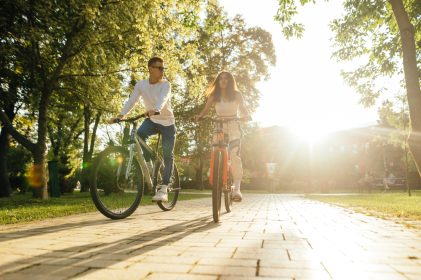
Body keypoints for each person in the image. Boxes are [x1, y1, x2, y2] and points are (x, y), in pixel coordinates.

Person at [110, 57, 176, 202]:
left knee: (167, 154)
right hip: (152, 120)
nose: (162, 71)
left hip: (167, 123)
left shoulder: (166, 85)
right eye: (159, 68)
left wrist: (156, 109)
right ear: (150, 69)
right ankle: (150, 160)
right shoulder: (141, 85)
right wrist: (120, 116)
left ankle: (164, 188)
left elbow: (163, 98)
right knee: (139, 135)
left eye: (163, 68)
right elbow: (132, 100)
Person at [195, 71, 251, 202]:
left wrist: (246, 116)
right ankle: (214, 168)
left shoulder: (237, 95)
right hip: (219, 125)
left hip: (233, 126)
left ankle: (236, 188)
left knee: (234, 155)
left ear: (230, 81)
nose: (223, 81)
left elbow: (243, 109)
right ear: (218, 82)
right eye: (221, 79)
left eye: (226, 79)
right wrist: (199, 117)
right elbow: (205, 109)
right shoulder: (214, 96)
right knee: (215, 149)